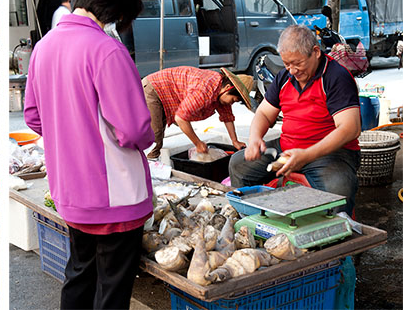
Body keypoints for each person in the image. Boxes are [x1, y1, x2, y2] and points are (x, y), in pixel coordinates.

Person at [23, 0, 149, 310]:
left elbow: (34, 117)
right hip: (116, 198)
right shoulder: (108, 50)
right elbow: (134, 129)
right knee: (112, 292)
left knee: (79, 276)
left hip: (70, 192)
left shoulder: (43, 47)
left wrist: (70, 136)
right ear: (118, 2)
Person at [229, 24, 361, 214]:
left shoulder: (336, 77)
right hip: (286, 149)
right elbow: (264, 113)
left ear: (315, 52)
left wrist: (306, 155)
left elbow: (350, 128)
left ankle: (337, 238)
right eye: (287, 64)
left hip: (332, 154)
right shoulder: (284, 78)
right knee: (238, 164)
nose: (292, 70)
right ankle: (252, 219)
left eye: (297, 63)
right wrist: (255, 138)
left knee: (338, 189)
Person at [142, 66, 254, 159]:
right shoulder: (204, 89)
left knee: (158, 130)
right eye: (233, 100)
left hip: (167, 92)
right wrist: (198, 143)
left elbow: (227, 117)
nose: (232, 103)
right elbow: (181, 118)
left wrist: (235, 141)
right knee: (155, 137)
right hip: (154, 88)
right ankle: (151, 171)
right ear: (228, 88)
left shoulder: (221, 91)